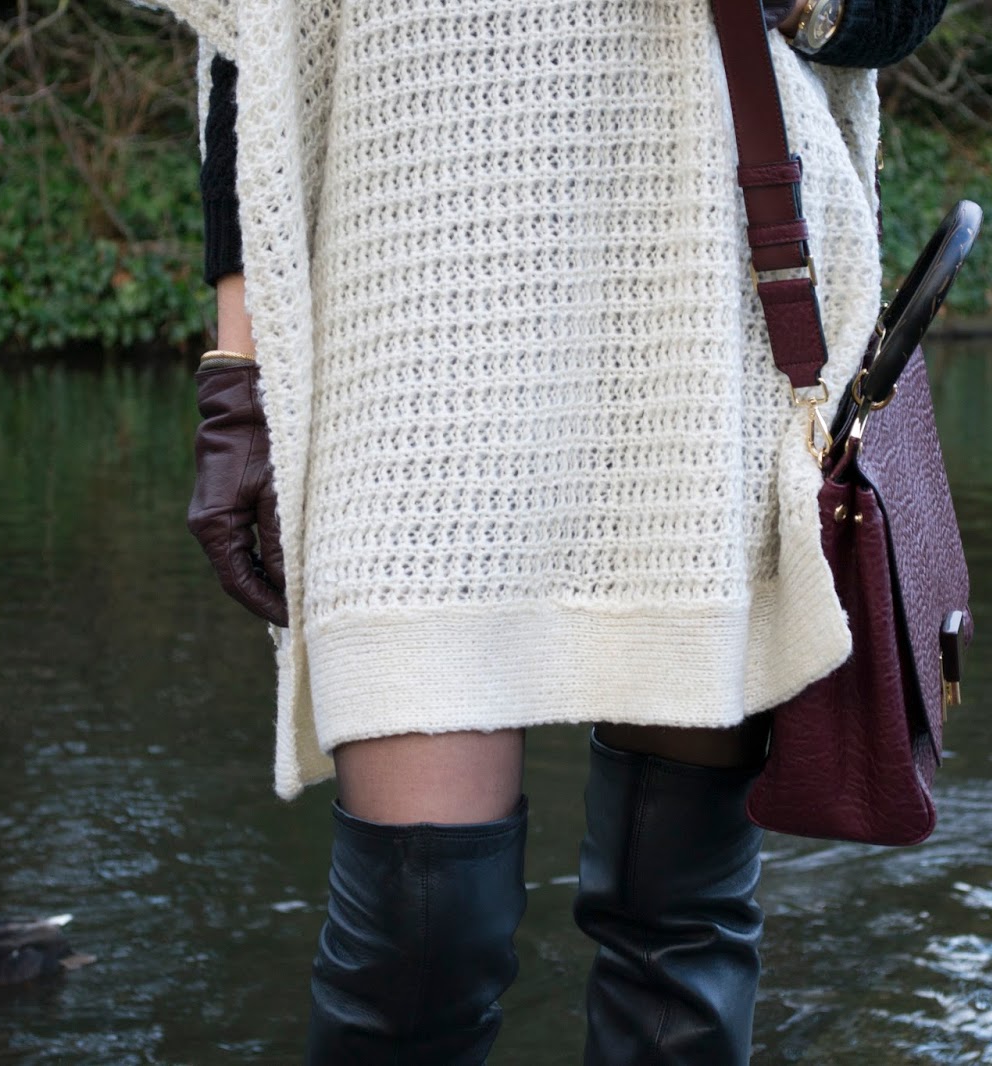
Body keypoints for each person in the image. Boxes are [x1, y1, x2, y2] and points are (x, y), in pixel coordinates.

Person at [172, 1, 947, 1061]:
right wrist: (237, 370)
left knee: (678, 933)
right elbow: (248, 42)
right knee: (415, 953)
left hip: (698, 316)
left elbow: (898, 13)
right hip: (400, 334)